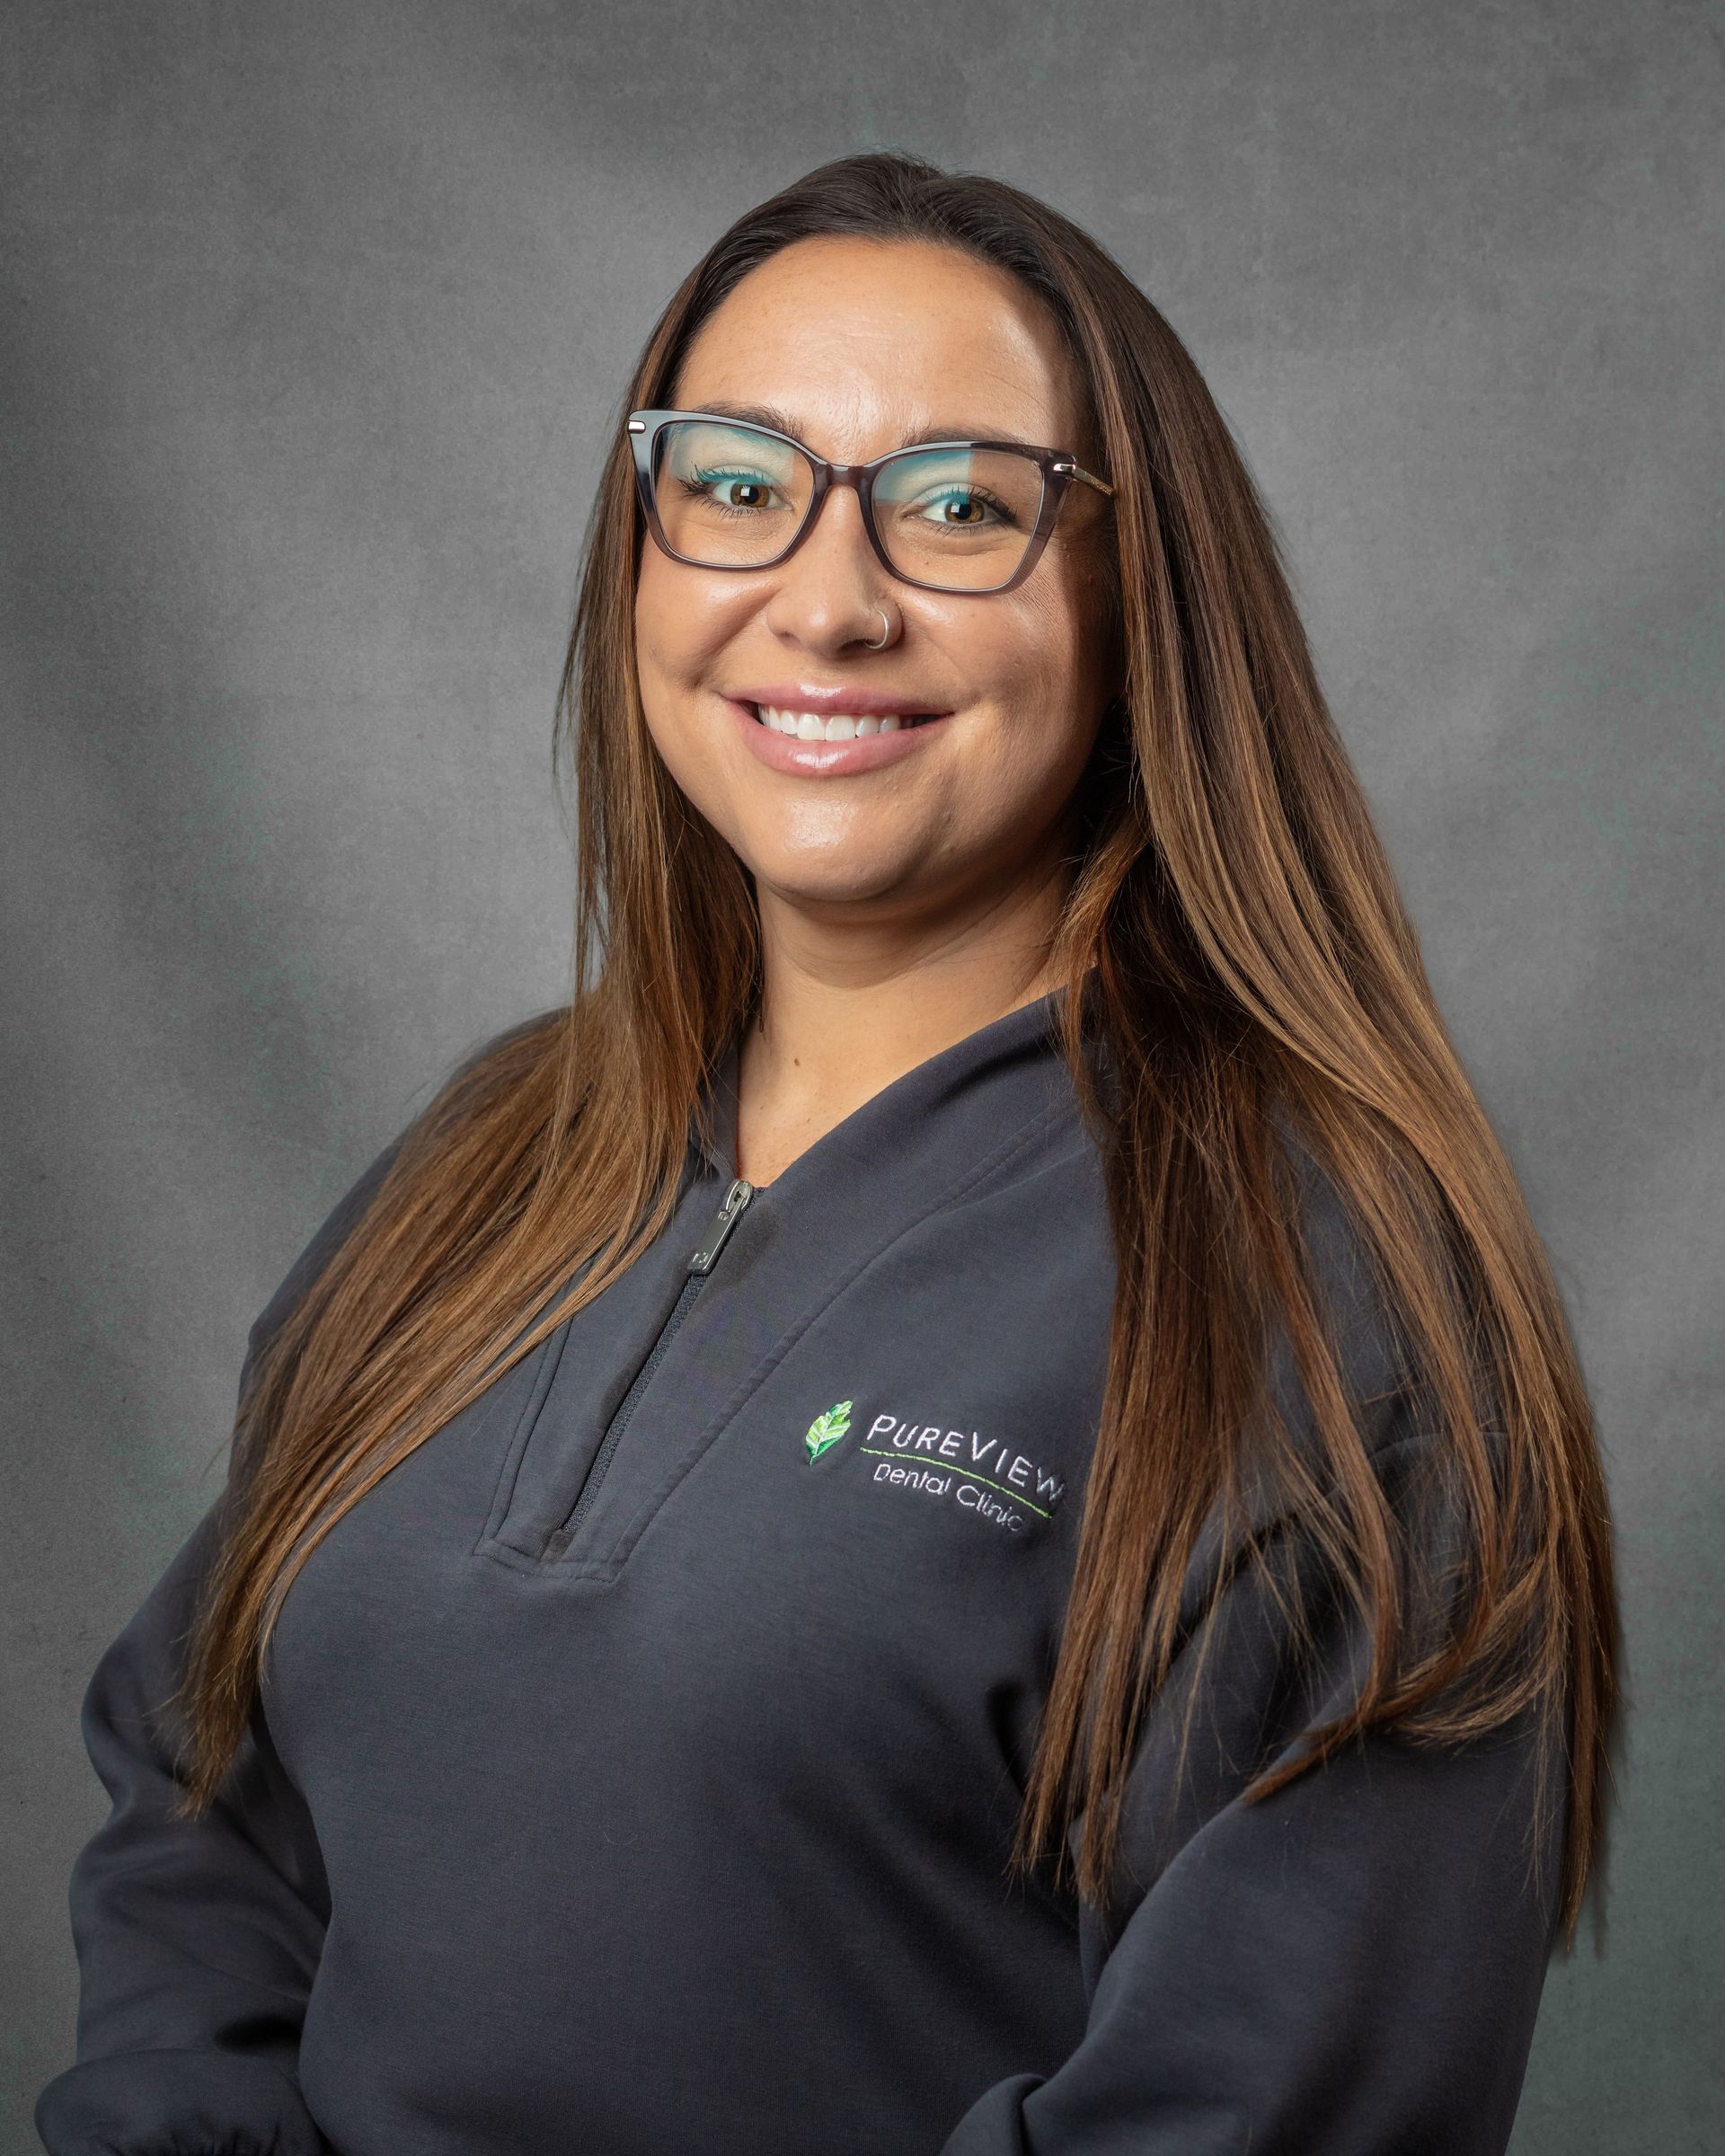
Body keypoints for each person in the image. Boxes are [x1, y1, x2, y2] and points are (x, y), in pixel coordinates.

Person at [37, 151, 1616, 2156]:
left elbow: (1261, 2111)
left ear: (1141, 593)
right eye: (734, 483)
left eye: (961, 506)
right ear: (643, 556)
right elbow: (202, 1801)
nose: (832, 600)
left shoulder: (1322, 1294)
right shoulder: (479, 1171)